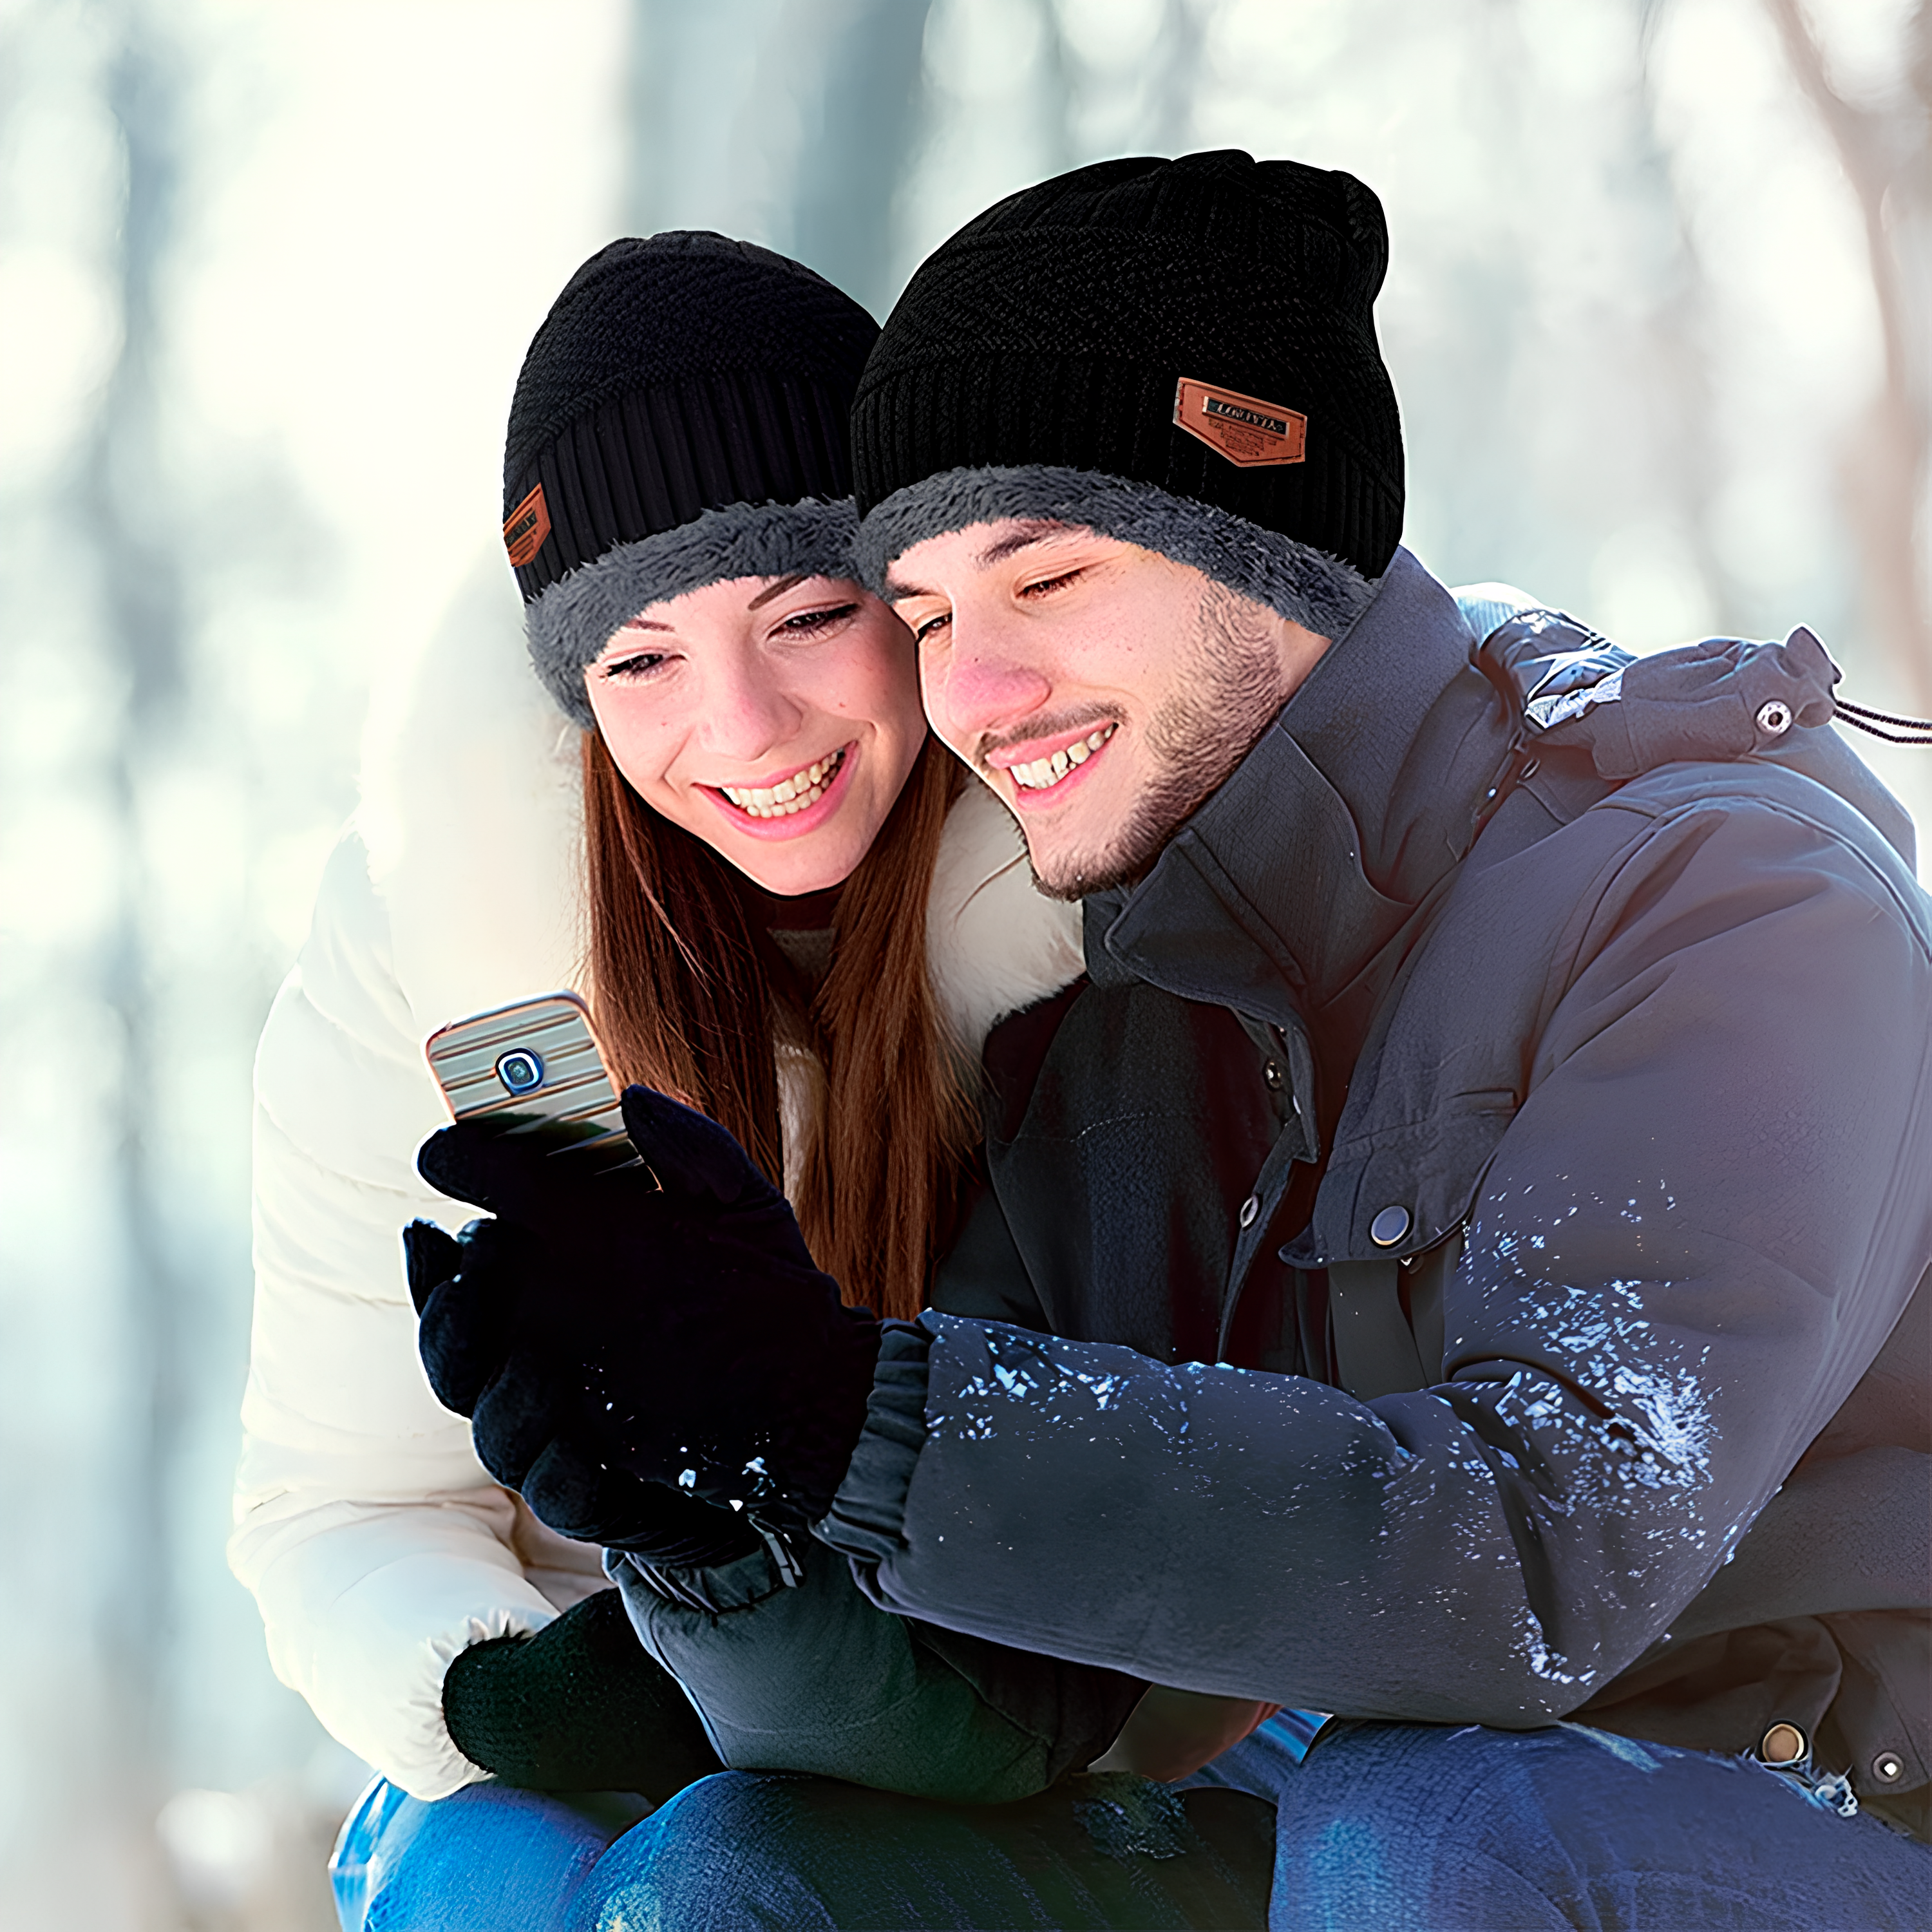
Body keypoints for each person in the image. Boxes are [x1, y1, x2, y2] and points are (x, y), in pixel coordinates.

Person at [414, 153, 1931, 1929]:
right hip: (1381, 1826)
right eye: (922, 619)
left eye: (1041, 576)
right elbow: (991, 1708)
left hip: (1826, 1820)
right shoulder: (1121, 1035)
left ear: (1269, 539)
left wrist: (846, 1405)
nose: (969, 696)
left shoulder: (1718, 895)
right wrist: (716, 1500)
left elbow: (1539, 1550)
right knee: (745, 1877)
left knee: (1417, 1834)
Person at [230, 232, 1107, 1932]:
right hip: (569, 1698)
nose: (748, 726)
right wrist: (506, 1694)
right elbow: (338, 1503)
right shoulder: (446, 949)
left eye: (807, 616)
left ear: (918, 599)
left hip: (990, 1700)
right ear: (569, 690)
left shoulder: (1094, 908)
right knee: (509, 1880)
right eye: (640, 660)